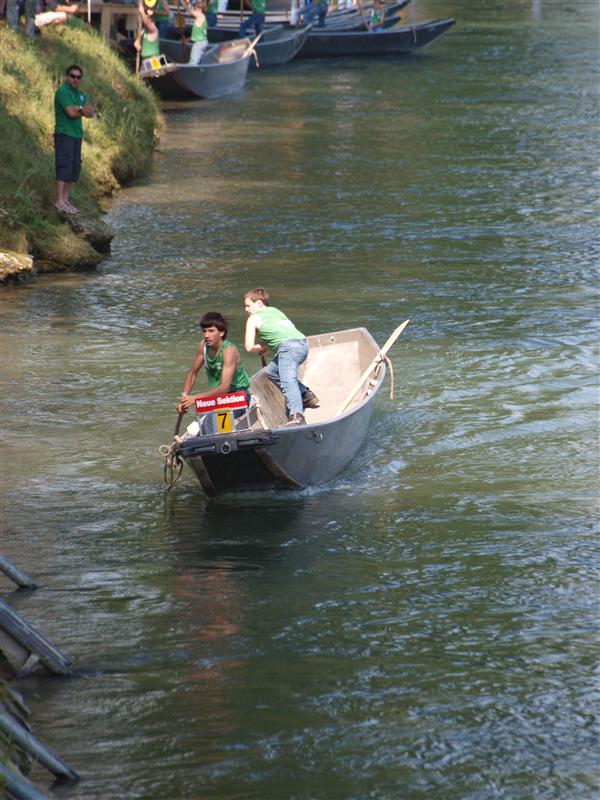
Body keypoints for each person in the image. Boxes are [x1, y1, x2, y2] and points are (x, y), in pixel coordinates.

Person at [243, 288, 319, 426]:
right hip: (302, 345)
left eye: (248, 305)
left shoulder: (253, 318)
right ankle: (305, 394)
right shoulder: (276, 311)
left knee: (288, 381)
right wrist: (265, 346)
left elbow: (249, 347)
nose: (246, 309)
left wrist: (259, 348)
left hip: (288, 349)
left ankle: (297, 416)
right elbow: (280, 332)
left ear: (259, 303)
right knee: (271, 371)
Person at [177, 312, 252, 433]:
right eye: (204, 331)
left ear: (221, 333)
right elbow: (192, 373)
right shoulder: (203, 346)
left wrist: (195, 399)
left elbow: (224, 388)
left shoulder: (229, 351)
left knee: (211, 420)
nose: (206, 335)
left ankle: (224, 441)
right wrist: (184, 398)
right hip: (219, 398)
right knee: (205, 427)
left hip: (238, 396)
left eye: (211, 331)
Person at [54, 64, 94, 215]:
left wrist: (79, 109)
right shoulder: (62, 92)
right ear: (67, 76)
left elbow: (91, 113)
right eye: (72, 76)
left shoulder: (81, 94)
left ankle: (65, 200)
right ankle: (59, 202)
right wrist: (81, 110)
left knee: (73, 168)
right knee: (63, 166)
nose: (75, 79)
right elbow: (70, 113)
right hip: (64, 134)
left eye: (78, 77)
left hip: (77, 135)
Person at [7, 0, 78, 40]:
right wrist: (71, 9)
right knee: (63, 15)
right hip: (31, 15)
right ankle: (32, 30)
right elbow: (55, 7)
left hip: (21, 11)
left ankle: (32, 29)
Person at [186, 0, 208, 64]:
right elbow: (197, 34)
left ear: (197, 8)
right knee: (197, 61)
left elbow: (188, 10)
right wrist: (187, 39)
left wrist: (182, 1)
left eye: (194, 7)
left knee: (193, 63)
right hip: (201, 42)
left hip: (199, 44)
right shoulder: (202, 17)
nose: (193, 8)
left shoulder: (200, 16)